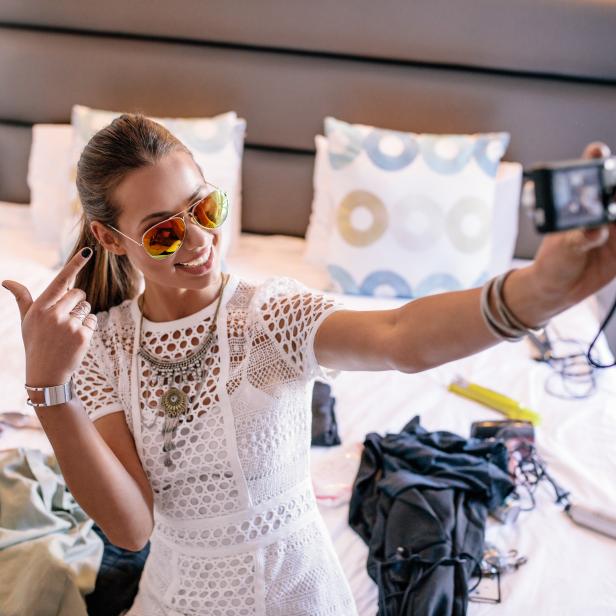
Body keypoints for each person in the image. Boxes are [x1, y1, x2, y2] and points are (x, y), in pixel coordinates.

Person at [2, 115, 615, 616]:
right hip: (173, 600)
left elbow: (399, 335)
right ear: (111, 239)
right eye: (163, 233)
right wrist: (47, 388)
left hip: (295, 598)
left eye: (206, 208)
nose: (198, 241)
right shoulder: (102, 347)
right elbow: (132, 530)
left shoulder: (268, 316)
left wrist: (538, 291)